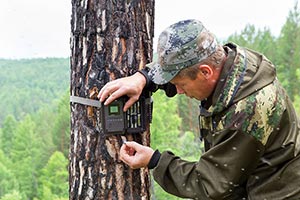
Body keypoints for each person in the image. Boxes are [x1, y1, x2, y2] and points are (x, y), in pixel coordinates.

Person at [98, 19, 300, 199]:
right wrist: (143, 78)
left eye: (181, 85)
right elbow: (185, 65)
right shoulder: (231, 63)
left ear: (206, 72)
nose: (177, 91)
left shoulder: (247, 111)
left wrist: (155, 161)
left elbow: (211, 184)